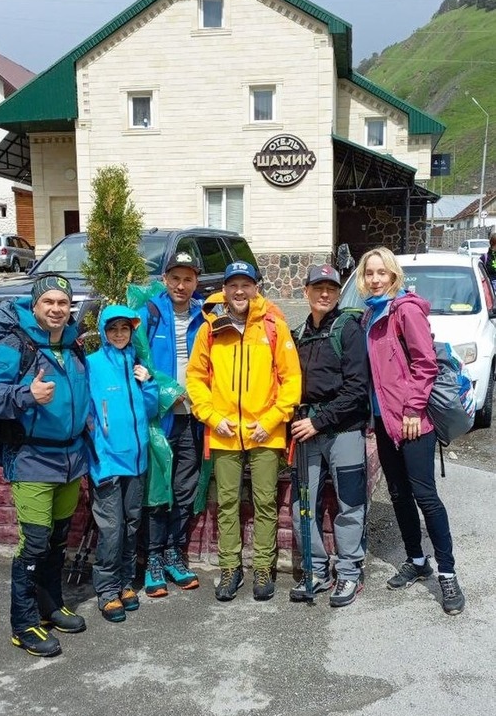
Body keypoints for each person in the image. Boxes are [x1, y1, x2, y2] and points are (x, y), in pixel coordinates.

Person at [0, 275, 90, 656]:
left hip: (71, 459)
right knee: (35, 543)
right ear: (35, 305)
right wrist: (27, 394)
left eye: (63, 302)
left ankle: (50, 607)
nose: (57, 309)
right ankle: (23, 623)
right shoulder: (16, 345)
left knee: (58, 539)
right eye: (49, 302)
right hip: (32, 459)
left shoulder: (72, 346)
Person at [356, 247, 465, 615]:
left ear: (393, 275)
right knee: (399, 494)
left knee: (425, 495)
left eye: (381, 272)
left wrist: (414, 408)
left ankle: (447, 573)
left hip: (412, 420)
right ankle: (417, 560)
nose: (375, 279)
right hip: (383, 420)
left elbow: (425, 363)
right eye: (369, 272)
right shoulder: (370, 313)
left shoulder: (405, 310)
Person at [186, 261, 301, 602]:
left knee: (265, 502)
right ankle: (230, 568)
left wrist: (270, 421)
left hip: (265, 431)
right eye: (233, 285)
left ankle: (263, 567)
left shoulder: (274, 326)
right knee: (227, 504)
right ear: (224, 289)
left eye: (246, 284)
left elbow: (291, 380)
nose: (239, 291)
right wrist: (211, 416)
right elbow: (196, 378)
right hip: (223, 431)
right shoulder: (210, 329)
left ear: (256, 288)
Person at [290, 264, 370, 607]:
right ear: (306, 291)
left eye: (331, 289)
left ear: (338, 293)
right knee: (302, 506)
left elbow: (357, 389)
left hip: (344, 430)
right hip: (307, 431)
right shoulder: (297, 335)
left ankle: (349, 572)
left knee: (349, 503)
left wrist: (319, 421)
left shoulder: (348, 330)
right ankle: (316, 571)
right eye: (318, 288)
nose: (324, 294)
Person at [86, 306, 159, 623]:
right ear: (104, 332)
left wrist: (149, 383)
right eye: (113, 328)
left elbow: (150, 410)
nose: (119, 334)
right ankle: (106, 590)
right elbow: (88, 416)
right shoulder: (92, 365)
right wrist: (98, 459)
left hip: (136, 462)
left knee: (131, 526)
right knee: (111, 530)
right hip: (107, 463)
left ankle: (125, 583)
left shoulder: (136, 364)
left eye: (125, 328)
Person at [138, 251, 204, 597]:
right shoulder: (149, 313)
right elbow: (137, 361)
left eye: (188, 279)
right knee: (157, 488)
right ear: (165, 280)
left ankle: (174, 553)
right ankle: (152, 557)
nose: (181, 285)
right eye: (175, 278)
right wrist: (168, 394)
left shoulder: (205, 315)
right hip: (160, 418)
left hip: (193, 419)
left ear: (196, 282)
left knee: (183, 489)